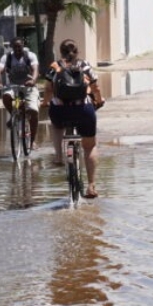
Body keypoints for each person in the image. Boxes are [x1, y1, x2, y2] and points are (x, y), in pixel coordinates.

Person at [42, 39, 104, 199]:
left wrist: (45, 102)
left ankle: (58, 156)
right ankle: (91, 185)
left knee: (56, 126)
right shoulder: (85, 66)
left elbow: (48, 88)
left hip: (61, 111)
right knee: (89, 146)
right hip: (83, 110)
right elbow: (95, 87)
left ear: (60, 52)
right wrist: (99, 99)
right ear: (77, 52)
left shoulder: (55, 66)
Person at [0, 37, 40, 149]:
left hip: (28, 87)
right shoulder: (7, 57)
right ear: (12, 47)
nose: (18, 48)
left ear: (23, 45)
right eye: (15, 46)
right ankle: (15, 114)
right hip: (13, 87)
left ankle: (32, 140)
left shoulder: (30, 56)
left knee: (33, 111)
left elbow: (35, 69)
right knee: (6, 96)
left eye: (20, 46)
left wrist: (33, 80)